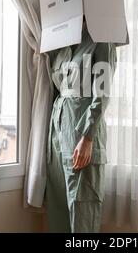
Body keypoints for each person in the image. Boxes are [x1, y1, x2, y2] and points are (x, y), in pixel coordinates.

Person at [45, 22, 117, 233]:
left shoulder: (102, 37)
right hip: (58, 139)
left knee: (82, 213)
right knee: (58, 213)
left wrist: (88, 137)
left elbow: (102, 93)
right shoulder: (63, 41)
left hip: (81, 138)